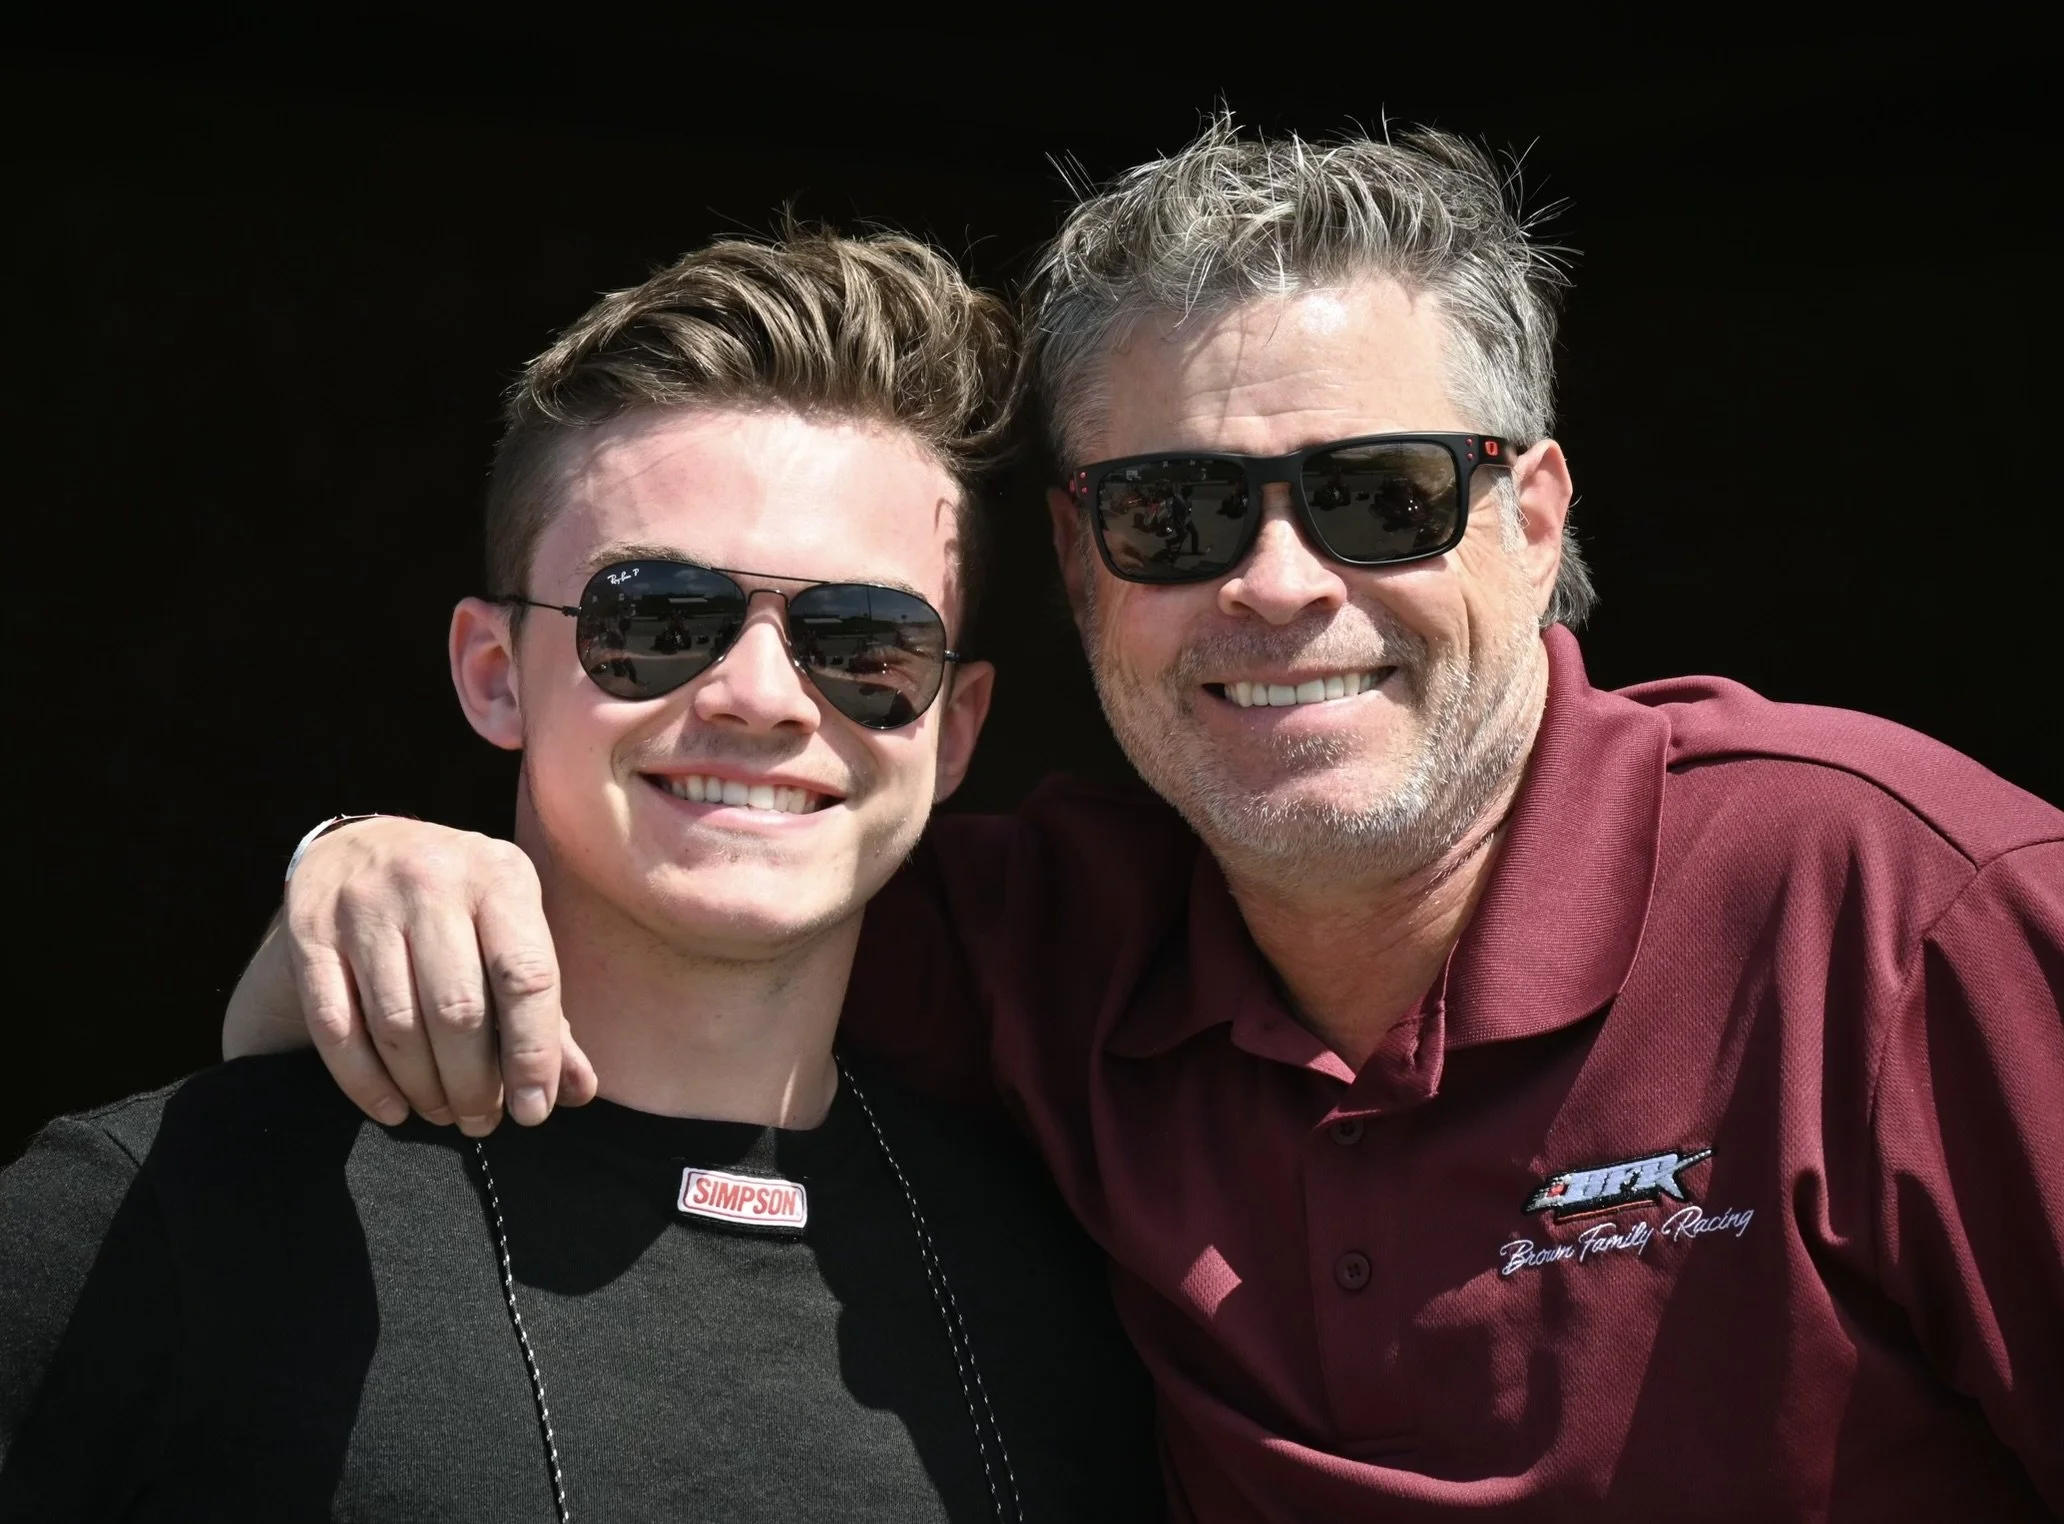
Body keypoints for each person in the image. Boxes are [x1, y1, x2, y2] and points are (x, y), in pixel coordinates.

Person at [229, 123, 2061, 1520]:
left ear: (1530, 514)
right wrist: (361, 867)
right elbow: (627, 902)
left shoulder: (1905, 913)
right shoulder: (1037, 952)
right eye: (1176, 513)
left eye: (1378, 496)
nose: (1275, 586)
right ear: (1078, 572)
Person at [0, 228, 1162, 1522]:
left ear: (953, 730)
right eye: (658, 618)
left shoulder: (1074, 1280)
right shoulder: (147, 1220)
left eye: (864, 641)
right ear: (494, 674)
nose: (762, 697)